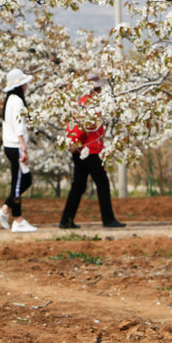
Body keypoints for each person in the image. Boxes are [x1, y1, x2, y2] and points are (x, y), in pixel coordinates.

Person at [59, 74, 125, 229]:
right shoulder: (91, 105)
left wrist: (73, 142)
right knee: (102, 184)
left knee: (79, 186)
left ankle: (66, 220)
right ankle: (108, 219)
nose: (101, 90)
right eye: (99, 88)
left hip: (81, 150)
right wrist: (76, 142)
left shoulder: (80, 103)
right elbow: (85, 127)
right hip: (91, 150)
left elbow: (74, 125)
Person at [0, 68, 36, 233]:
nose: (26, 86)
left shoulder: (10, 99)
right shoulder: (16, 101)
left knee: (25, 180)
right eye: (24, 83)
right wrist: (24, 149)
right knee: (18, 185)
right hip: (16, 146)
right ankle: (17, 220)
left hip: (12, 146)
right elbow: (19, 127)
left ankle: (4, 211)